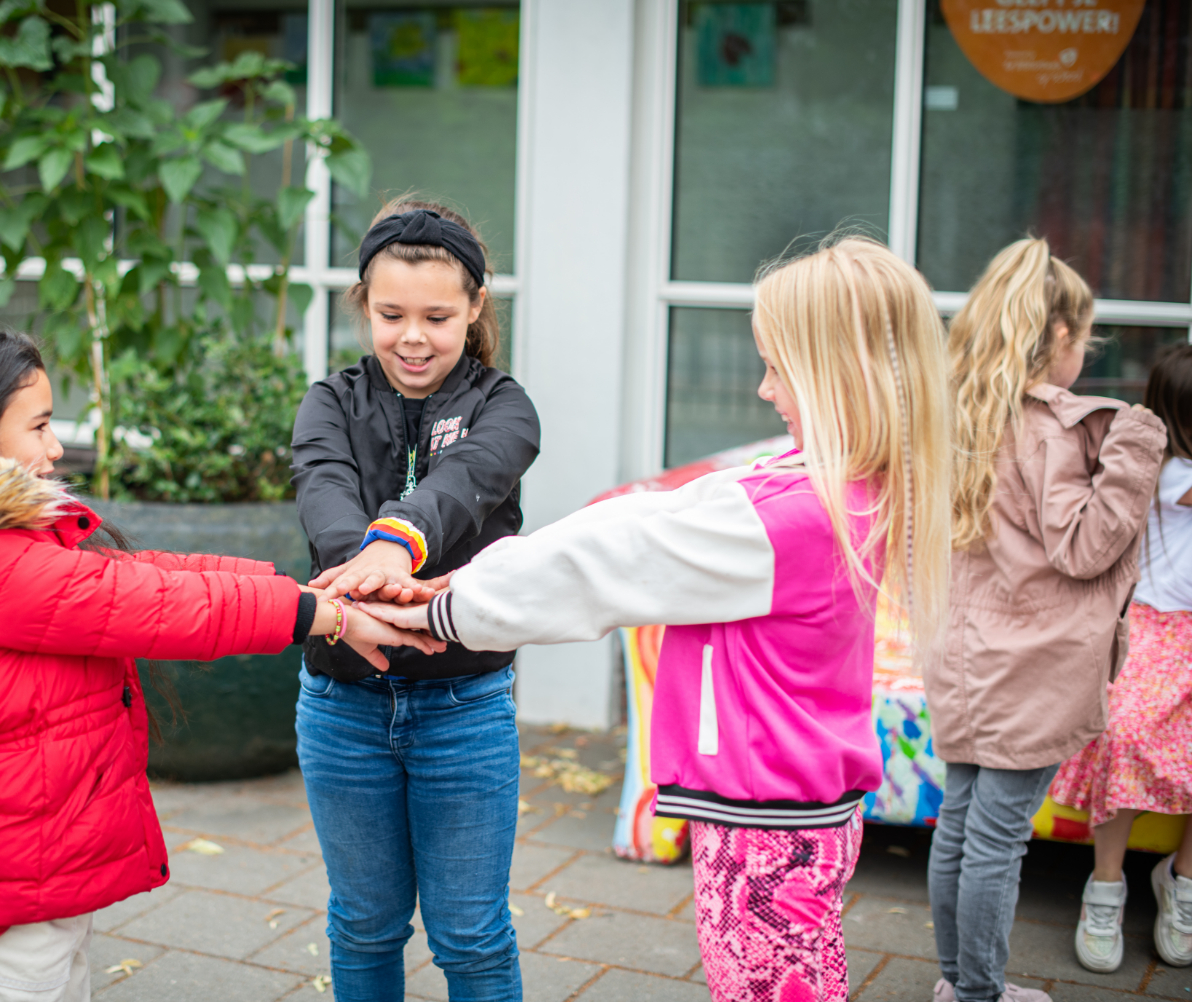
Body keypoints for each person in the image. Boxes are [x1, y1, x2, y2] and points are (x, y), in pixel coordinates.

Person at [362, 235, 952, 1002]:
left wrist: (445, 609)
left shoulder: (792, 515)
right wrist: (460, 587)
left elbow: (614, 561)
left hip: (763, 817)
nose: (765, 391)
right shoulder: (833, 486)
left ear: (834, 375)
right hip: (789, 803)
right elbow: (648, 519)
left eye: (778, 369)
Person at [0, 323, 437, 1002]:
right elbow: (153, 601)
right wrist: (321, 616)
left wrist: (301, 590)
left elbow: (142, 572)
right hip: (12, 892)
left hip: (29, 869)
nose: (54, 446)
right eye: (38, 426)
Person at [290, 199, 541, 1001]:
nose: (412, 336)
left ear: (473, 308)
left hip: (464, 707)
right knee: (362, 925)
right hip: (341, 705)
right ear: (364, 305)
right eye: (391, 313)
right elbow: (324, 496)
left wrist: (394, 540)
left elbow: (464, 485)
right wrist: (361, 557)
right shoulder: (328, 400)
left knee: (470, 936)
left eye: (437, 316)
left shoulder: (505, 407)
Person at [928, 238, 1167, 1002]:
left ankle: (954, 983)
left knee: (958, 826)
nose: (1083, 354)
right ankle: (978, 994)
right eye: (1085, 339)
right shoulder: (1049, 426)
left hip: (962, 653)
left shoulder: (956, 412)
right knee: (993, 839)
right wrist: (1135, 443)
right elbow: (1082, 547)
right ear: (1058, 336)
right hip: (1031, 663)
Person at [1049, 343, 1192, 973]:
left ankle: (1181, 882)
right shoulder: (1164, 473)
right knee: (1125, 730)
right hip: (1156, 626)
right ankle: (1105, 885)